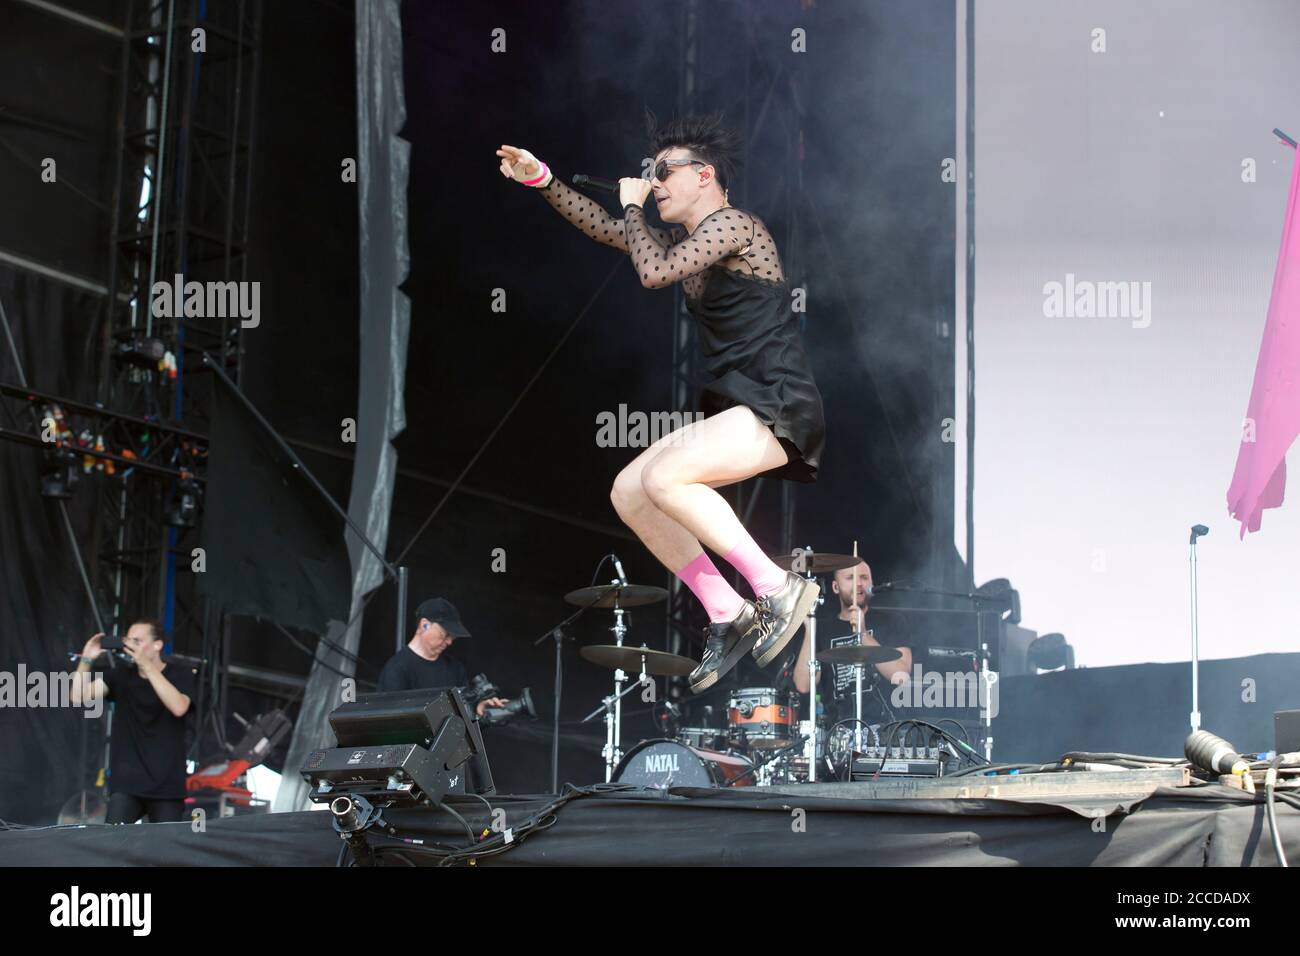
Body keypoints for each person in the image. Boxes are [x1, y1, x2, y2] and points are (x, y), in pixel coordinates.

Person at [497, 113, 826, 693]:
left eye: (664, 172)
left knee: (670, 477)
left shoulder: (736, 225)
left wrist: (632, 208)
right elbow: (607, 229)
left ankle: (776, 586)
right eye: (650, 175)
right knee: (630, 489)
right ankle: (727, 608)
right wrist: (541, 179)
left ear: (704, 175)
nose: (654, 183)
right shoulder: (686, 239)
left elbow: (653, 273)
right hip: (743, 403)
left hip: (780, 400)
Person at [70, 620, 194, 824]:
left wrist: (147, 666)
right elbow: (77, 696)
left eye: (138, 641)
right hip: (127, 784)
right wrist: (86, 659)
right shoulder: (121, 675)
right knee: (112, 844)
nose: (131, 646)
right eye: (129, 640)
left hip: (167, 785)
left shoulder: (180, 674)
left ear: (157, 645)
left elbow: (179, 707)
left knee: (165, 851)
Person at [377, 597, 508, 717]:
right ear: (424, 625)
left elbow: (464, 715)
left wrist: (479, 708)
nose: (449, 642)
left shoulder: (455, 668)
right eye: (444, 635)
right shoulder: (396, 669)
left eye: (452, 637)